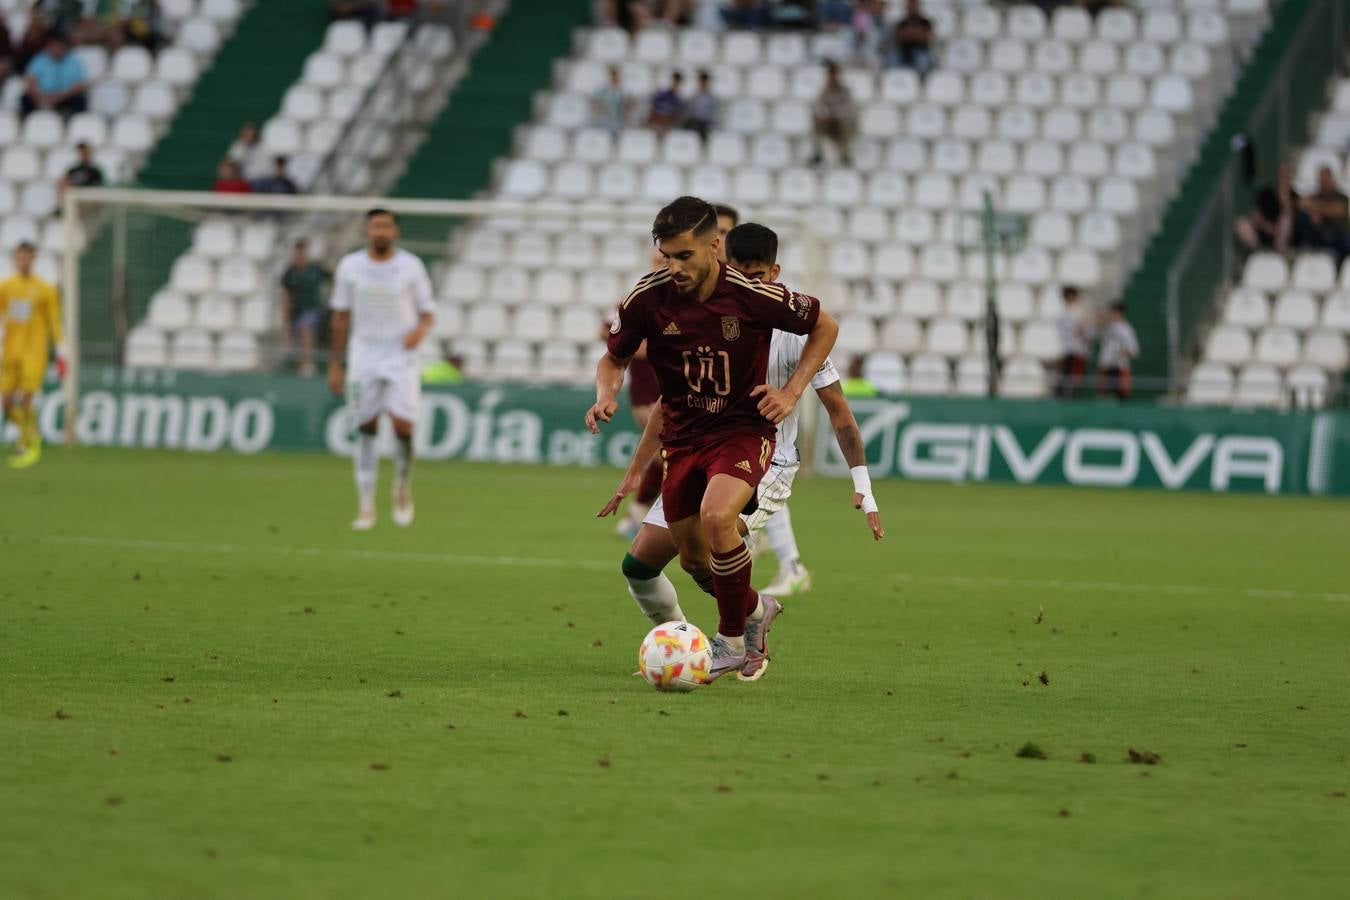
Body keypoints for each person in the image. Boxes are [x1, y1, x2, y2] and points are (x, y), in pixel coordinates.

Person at [599, 222, 878, 680]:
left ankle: (728, 639)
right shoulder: (710, 316)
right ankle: (708, 637)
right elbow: (671, 403)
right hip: (698, 449)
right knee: (647, 562)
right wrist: (636, 470)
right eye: (741, 272)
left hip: (767, 461)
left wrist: (862, 484)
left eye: (760, 275)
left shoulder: (792, 332)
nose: (752, 283)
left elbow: (840, 413)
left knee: (715, 528)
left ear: (775, 273)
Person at [328, 209, 435, 531]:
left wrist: (419, 331)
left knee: (403, 427)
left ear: (395, 231)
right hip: (363, 357)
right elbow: (341, 316)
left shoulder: (411, 266)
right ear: (367, 230)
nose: (380, 231)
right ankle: (365, 505)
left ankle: (402, 487)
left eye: (386, 225)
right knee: (366, 427)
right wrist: (335, 362)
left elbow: (428, 312)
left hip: (401, 357)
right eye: (375, 225)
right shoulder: (350, 267)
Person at [0, 244, 66, 469]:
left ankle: (25, 444)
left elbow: (55, 321)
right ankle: (31, 433)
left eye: (27, 257)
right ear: (14, 260)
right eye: (19, 257)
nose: (23, 261)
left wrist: (61, 352)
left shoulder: (45, 289)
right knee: (6, 403)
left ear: (34, 259)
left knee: (26, 398)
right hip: (11, 352)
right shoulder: (6, 287)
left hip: (34, 353)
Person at [281, 240, 329, 377]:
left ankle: (307, 364)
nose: (299, 255)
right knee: (299, 335)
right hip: (296, 311)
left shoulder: (315, 268)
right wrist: (285, 318)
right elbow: (285, 295)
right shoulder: (290, 272)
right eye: (297, 252)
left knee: (306, 328)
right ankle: (300, 364)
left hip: (313, 309)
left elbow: (333, 277)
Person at [21, 33, 88, 120]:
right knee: (25, 98)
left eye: (59, 46)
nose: (56, 49)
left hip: (64, 96)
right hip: (41, 96)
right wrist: (40, 97)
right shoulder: (40, 59)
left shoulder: (74, 61)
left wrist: (58, 97)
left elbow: (79, 85)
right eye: (53, 46)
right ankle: (28, 122)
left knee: (79, 100)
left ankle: (73, 124)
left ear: (64, 47)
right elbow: (30, 81)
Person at [1235, 164, 1296, 253]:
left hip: (1283, 238)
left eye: (1287, 175)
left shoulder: (1294, 196)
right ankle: (1256, 253)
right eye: (1283, 175)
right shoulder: (1266, 193)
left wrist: (1284, 199)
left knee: (1286, 221)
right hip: (1264, 231)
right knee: (1241, 223)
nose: (1285, 178)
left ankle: (1280, 254)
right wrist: (1267, 227)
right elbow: (1255, 214)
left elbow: (1292, 217)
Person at [811, 61, 857, 166]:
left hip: (842, 123)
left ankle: (845, 155)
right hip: (828, 123)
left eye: (834, 75)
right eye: (830, 75)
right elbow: (818, 106)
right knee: (815, 120)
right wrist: (822, 115)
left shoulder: (845, 92)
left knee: (847, 124)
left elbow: (848, 111)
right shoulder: (824, 91)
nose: (832, 78)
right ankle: (817, 153)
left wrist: (832, 115)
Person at [1097, 303, 1138, 401]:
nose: (1111, 315)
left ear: (1120, 313)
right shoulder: (1106, 328)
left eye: (1113, 312)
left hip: (1120, 367)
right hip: (1106, 365)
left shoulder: (1127, 330)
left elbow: (1134, 351)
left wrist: (1121, 351)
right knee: (1103, 396)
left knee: (1121, 395)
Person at [1055, 285, 1091, 398]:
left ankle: (1071, 395)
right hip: (1072, 349)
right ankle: (1067, 396)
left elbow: (1082, 330)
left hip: (1075, 349)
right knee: (1070, 376)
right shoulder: (1067, 313)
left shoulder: (1075, 312)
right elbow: (1079, 330)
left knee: (1073, 376)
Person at [887, 0, 936, 77]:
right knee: (891, 59)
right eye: (909, 6)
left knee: (924, 62)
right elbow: (898, 38)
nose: (911, 8)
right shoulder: (901, 23)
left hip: (920, 51)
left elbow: (926, 37)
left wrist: (909, 34)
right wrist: (915, 34)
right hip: (902, 51)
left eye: (913, 6)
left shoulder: (925, 22)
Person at [591, 65, 629, 136]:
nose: (615, 79)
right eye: (613, 77)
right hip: (604, 119)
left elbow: (624, 109)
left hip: (617, 121)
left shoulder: (622, 92)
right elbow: (596, 105)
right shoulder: (602, 92)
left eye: (617, 77)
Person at [682, 70, 718, 143]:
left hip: (705, 123)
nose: (703, 83)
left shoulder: (711, 97)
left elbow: (713, 114)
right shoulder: (694, 95)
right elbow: (689, 110)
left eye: (705, 81)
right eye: (702, 81)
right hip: (694, 121)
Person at [646, 72, 685, 136]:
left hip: (669, 125)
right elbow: (654, 108)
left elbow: (677, 116)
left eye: (677, 82)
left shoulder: (680, 100)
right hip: (657, 121)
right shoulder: (662, 94)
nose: (675, 84)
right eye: (674, 81)